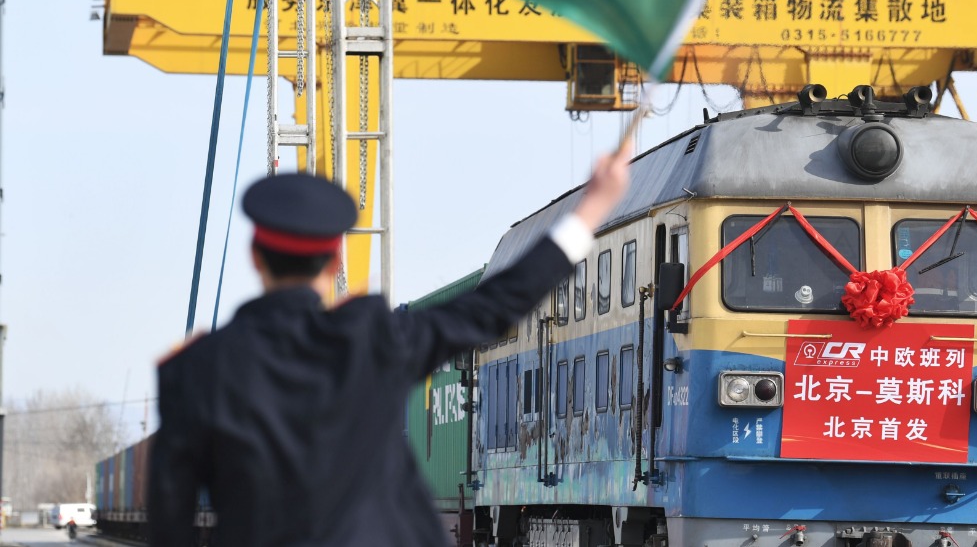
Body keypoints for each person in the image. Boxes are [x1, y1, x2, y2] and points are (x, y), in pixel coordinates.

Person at [149, 148, 630, 547]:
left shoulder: (194, 371)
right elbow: (494, 306)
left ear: (255, 255)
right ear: (336, 255)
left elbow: (170, 526)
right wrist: (590, 210)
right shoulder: (372, 341)